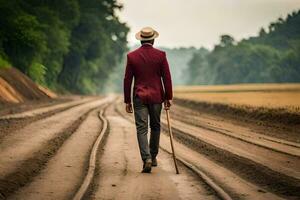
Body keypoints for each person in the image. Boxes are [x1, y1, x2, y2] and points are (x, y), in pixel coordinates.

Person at [123, 27, 173, 173]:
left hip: (139, 97)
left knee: (141, 129)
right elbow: (167, 78)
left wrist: (127, 100)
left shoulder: (132, 56)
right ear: (153, 39)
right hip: (157, 97)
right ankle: (153, 156)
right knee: (156, 126)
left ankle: (147, 159)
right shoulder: (161, 55)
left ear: (140, 40)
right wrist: (168, 97)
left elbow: (127, 80)